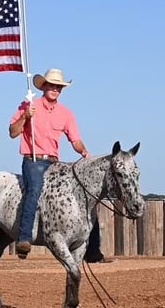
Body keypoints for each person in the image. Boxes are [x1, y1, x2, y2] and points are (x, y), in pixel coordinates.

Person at [8, 68, 110, 263]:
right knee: (34, 189)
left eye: (59, 87)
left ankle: (93, 250)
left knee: (86, 196)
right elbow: (13, 132)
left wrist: (84, 152)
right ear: (44, 86)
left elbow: (75, 140)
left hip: (54, 162)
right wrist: (25, 117)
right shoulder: (29, 106)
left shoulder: (66, 114)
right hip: (33, 160)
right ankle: (24, 238)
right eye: (52, 85)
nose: (55, 89)